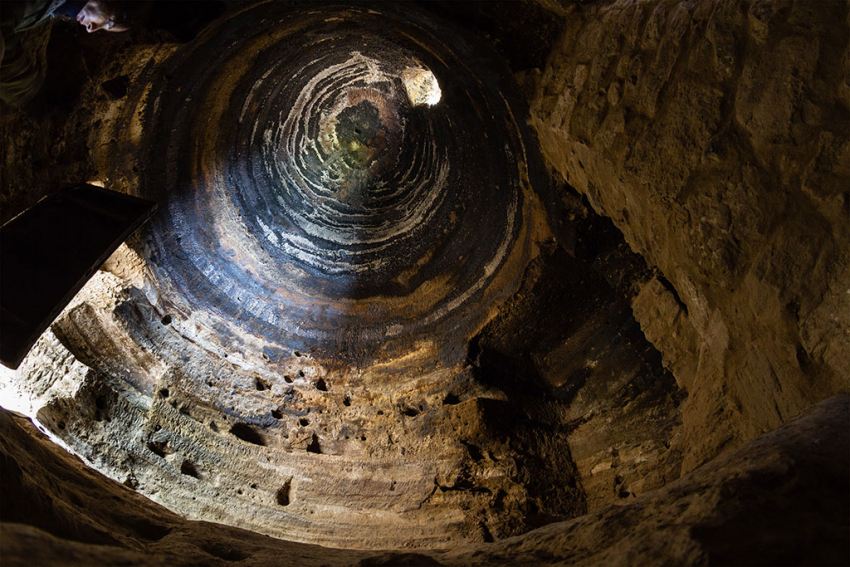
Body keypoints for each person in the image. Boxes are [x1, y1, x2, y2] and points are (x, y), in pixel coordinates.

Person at [0, 0, 149, 106]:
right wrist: (25, 90)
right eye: (109, 21)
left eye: (104, 28)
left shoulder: (49, 8)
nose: (91, 28)